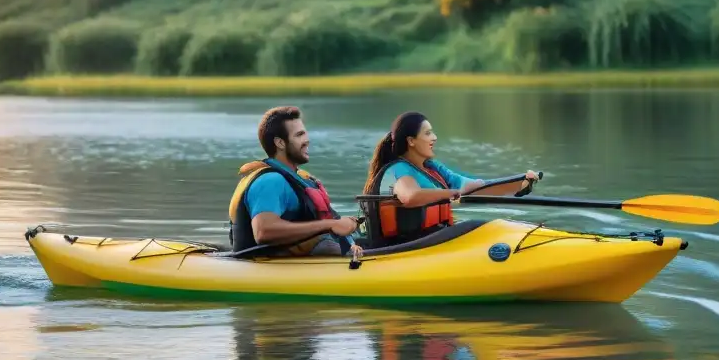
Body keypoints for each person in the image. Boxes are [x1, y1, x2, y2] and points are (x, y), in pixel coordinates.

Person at [360, 111, 540, 246]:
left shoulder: (434, 168)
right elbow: (409, 197)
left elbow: (473, 187)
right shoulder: (398, 169)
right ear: (411, 141)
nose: (434, 138)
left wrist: (518, 184)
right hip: (402, 247)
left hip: (434, 240)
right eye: (428, 133)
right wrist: (451, 193)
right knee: (471, 226)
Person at [228, 106, 363, 258]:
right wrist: (331, 225)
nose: (307, 140)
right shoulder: (270, 181)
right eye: (299, 135)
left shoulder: (300, 178)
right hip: (265, 265)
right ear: (280, 143)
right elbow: (263, 232)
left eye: (305, 134)